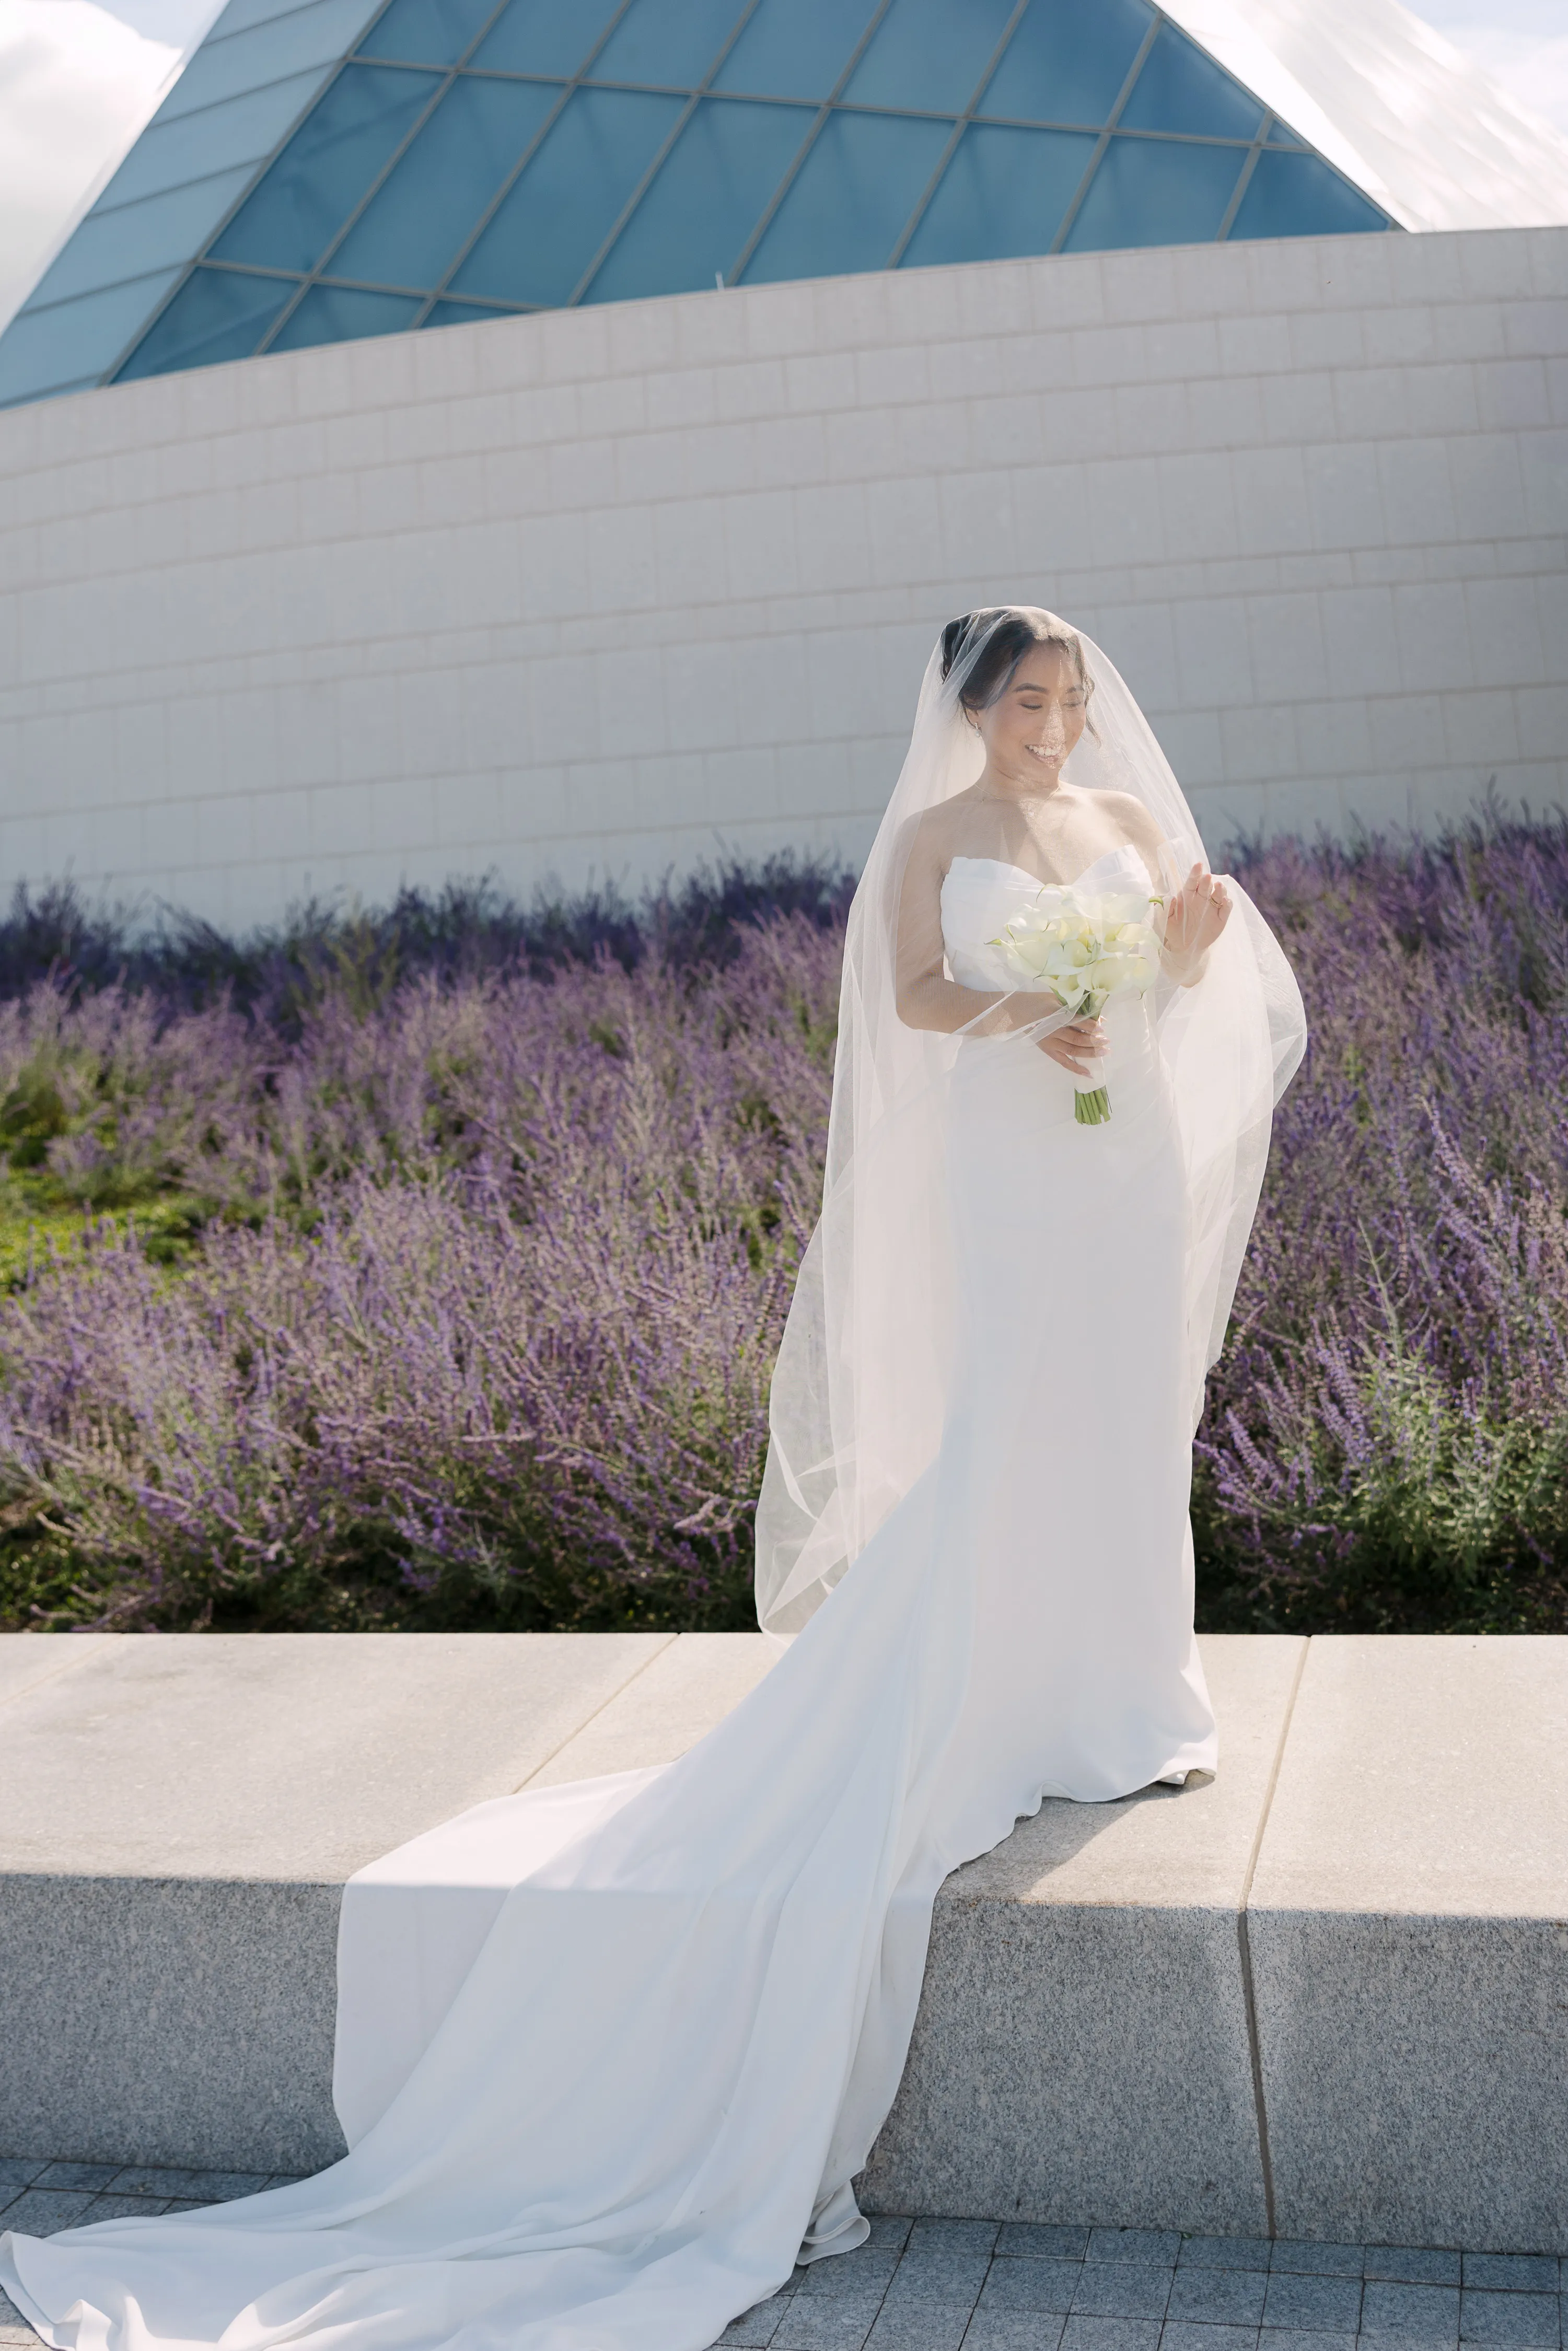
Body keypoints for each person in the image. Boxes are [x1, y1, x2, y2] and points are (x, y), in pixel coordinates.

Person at [0, 609, 1305, 2351]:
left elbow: (1183, 965)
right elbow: (913, 996)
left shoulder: (1136, 832)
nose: (1055, 728)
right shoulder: (931, 840)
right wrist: (1027, 1008)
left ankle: (1128, 1688)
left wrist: (1177, 951)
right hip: (1011, 1159)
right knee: (1014, 1417)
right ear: (971, 710)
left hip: (1115, 1157)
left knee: (1121, 1417)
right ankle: (999, 1686)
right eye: (1027, 703)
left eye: (1072, 702)